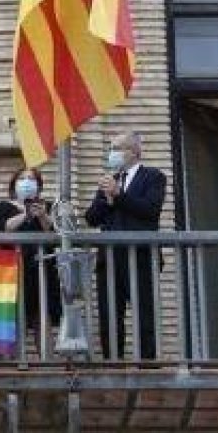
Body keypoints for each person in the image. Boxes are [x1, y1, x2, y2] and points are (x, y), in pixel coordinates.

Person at [87, 132, 166, 360]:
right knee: (109, 315)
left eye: (117, 148)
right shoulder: (109, 179)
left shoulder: (153, 176)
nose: (112, 153)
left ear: (134, 152)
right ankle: (113, 365)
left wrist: (119, 195)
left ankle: (148, 367)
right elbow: (92, 218)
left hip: (140, 257)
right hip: (109, 258)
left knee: (144, 315)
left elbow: (150, 209)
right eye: (111, 148)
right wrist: (107, 199)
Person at [0, 168, 62, 352]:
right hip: (12, 272)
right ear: (14, 185)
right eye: (22, 178)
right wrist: (26, 214)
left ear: (39, 186)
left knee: (42, 318)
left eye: (32, 179)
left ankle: (48, 366)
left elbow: (54, 235)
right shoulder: (3, 207)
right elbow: (0, 228)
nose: (27, 181)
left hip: (41, 271)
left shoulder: (48, 207)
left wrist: (43, 215)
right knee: (14, 320)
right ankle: (16, 365)